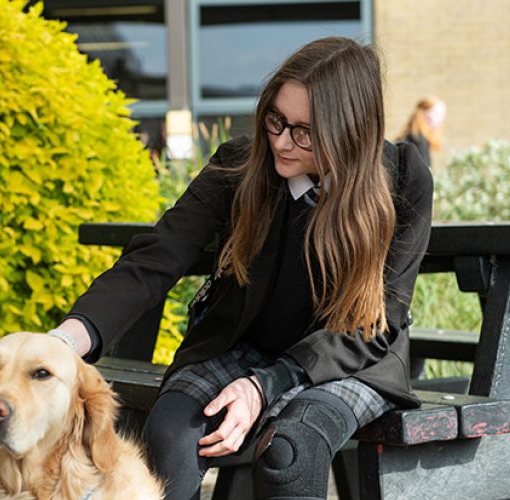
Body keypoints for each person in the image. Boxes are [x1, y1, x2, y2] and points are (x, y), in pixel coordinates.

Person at [45, 36, 432, 500]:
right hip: (244, 345)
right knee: (171, 432)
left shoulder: (403, 178)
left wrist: (264, 386)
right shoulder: (240, 165)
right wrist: (63, 344)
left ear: (349, 131)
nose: (282, 142)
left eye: (304, 132)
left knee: (291, 450)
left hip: (351, 358)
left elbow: (379, 319)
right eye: (276, 120)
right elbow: (156, 257)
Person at [395, 96, 445, 167]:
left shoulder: (406, 137)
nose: (440, 119)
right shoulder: (418, 141)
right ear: (422, 112)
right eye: (436, 113)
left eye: (442, 115)